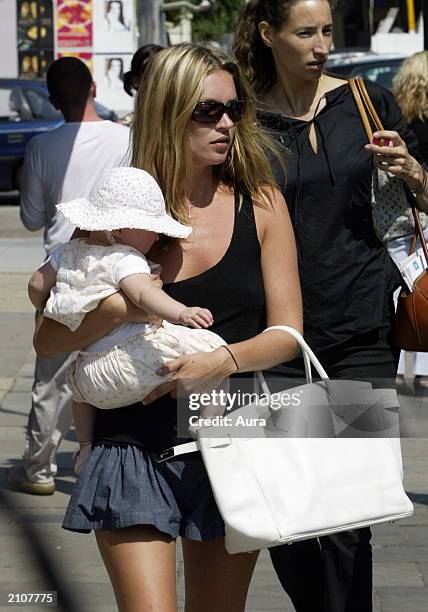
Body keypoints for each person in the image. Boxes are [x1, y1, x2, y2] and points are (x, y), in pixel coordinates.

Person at [33, 43, 302, 611]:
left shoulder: (262, 204)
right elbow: (48, 338)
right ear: (167, 112)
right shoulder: (117, 208)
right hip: (128, 443)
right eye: (208, 111)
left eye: (235, 110)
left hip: (229, 441)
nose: (226, 123)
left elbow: (286, 333)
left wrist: (219, 361)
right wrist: (121, 309)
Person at [233, 1, 428, 611]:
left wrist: (414, 172)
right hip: (276, 335)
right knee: (287, 505)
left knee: (349, 507)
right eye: (305, 32)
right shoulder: (240, 118)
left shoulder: (366, 102)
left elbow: (416, 195)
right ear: (268, 34)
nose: (321, 45)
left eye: (326, 32)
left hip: (359, 328)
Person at [29, 166, 226, 473]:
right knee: (215, 352)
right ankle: (209, 428)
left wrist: (49, 304)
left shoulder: (66, 252)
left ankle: (84, 447)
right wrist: (181, 312)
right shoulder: (125, 258)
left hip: (87, 379)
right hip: (126, 367)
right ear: (119, 230)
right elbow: (145, 296)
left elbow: (36, 285)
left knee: (78, 395)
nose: (157, 234)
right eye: (149, 227)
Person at [8, 57, 130, 496]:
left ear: (54, 100)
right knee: (118, 363)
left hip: (63, 268)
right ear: (95, 88)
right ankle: (110, 462)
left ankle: (39, 469)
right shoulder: (127, 137)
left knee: (51, 379)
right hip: (119, 267)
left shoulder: (42, 146)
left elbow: (31, 217)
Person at [390, 51, 428, 390]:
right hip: (424, 207)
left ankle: (407, 367)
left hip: (409, 221)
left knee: (411, 289)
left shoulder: (401, 115)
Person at [120, 44, 164, 126]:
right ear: (136, 80)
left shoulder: (186, 124)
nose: (162, 79)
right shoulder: (122, 129)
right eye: (153, 73)